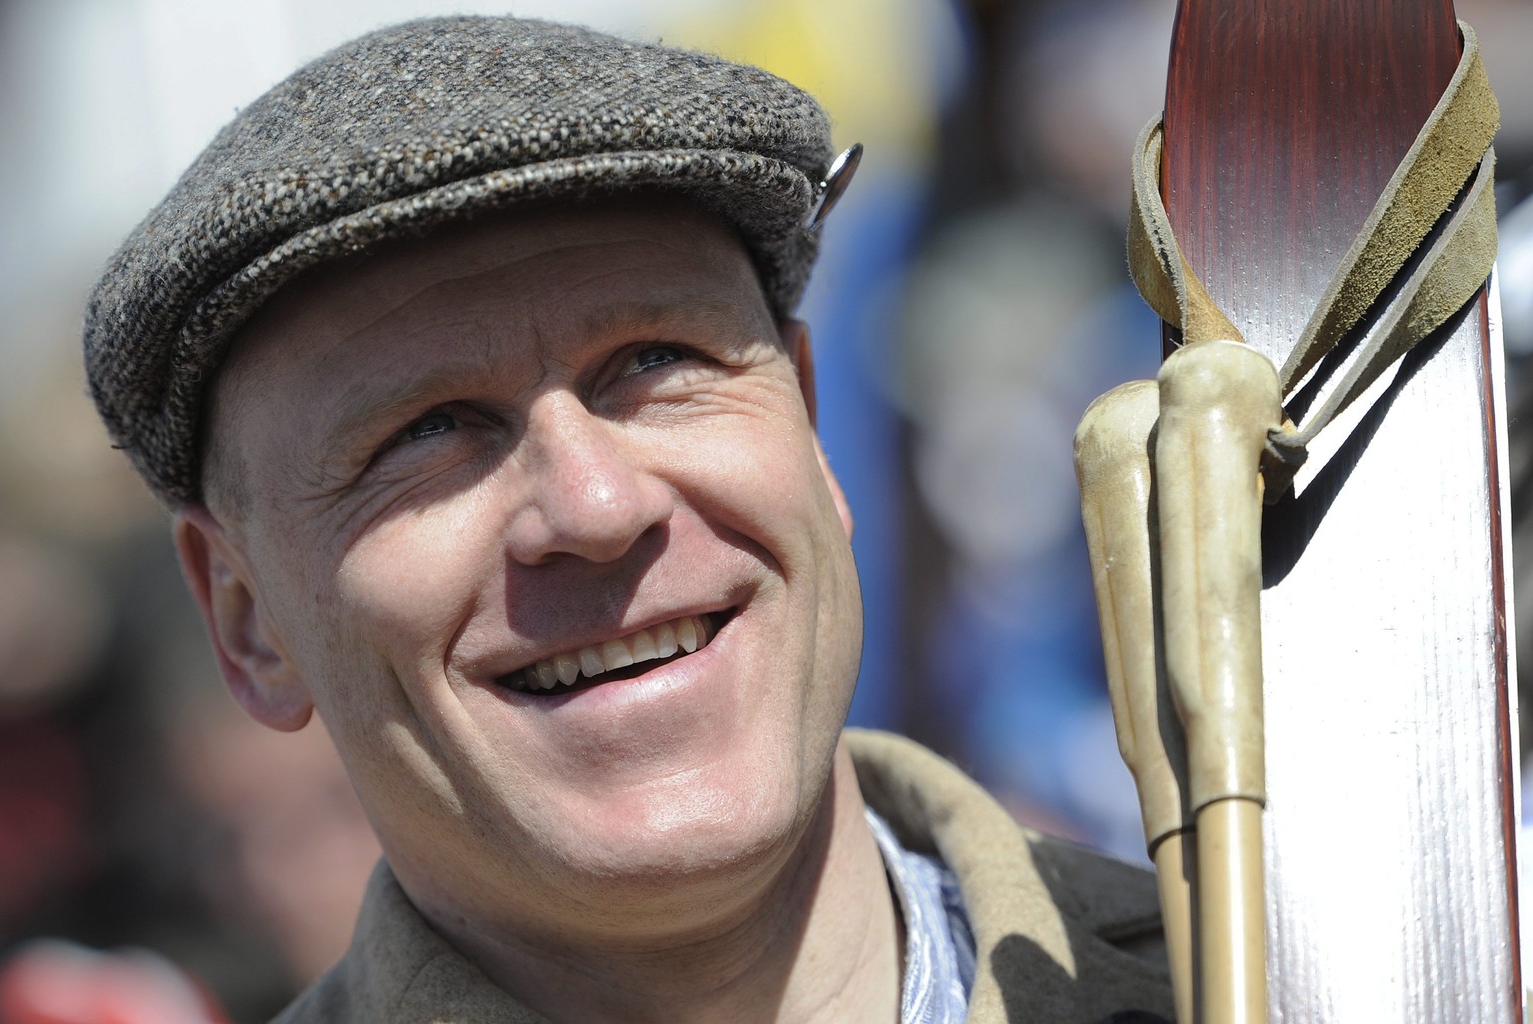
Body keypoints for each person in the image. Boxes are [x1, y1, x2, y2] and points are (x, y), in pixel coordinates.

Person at [83, 15, 1174, 1024]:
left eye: (657, 363)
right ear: (247, 620)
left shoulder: (1278, 979)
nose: (597, 507)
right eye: (425, 431)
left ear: (810, 421)